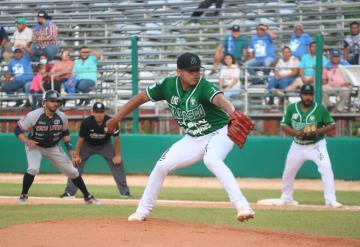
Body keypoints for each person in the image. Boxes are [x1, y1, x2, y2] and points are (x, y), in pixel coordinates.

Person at [107, 52, 255, 222]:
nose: (195, 74)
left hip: (220, 132)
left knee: (211, 159)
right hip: (193, 137)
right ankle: (142, 211)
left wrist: (232, 112)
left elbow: (221, 100)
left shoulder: (204, 86)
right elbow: (141, 97)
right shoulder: (168, 86)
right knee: (162, 166)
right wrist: (116, 118)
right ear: (179, 72)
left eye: (197, 70)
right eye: (190, 70)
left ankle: (243, 206)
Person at [14, 90, 99, 205]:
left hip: (53, 147)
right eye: (52, 101)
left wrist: (70, 150)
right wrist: (26, 141)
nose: (55, 103)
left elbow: (65, 133)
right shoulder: (34, 115)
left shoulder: (62, 116)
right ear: (44, 102)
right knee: (33, 168)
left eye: (57, 101)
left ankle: (87, 197)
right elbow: (17, 130)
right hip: (36, 146)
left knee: (73, 171)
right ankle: (23, 195)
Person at [279, 84, 342, 208]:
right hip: (297, 145)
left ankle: (330, 200)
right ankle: (286, 198)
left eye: (310, 94)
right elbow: (284, 125)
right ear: (301, 95)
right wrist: (297, 133)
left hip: (316, 145)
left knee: (326, 167)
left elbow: (331, 124)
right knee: (288, 172)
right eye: (305, 94)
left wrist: (317, 131)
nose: (308, 97)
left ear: (313, 95)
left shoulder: (320, 109)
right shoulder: (292, 108)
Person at [60, 102, 131, 198]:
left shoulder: (111, 121)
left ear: (104, 112)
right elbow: (81, 139)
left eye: (101, 112)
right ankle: (69, 192)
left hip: (105, 145)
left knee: (117, 162)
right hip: (87, 145)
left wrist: (117, 155)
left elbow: (117, 138)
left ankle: (124, 192)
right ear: (92, 112)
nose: (99, 114)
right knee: (76, 163)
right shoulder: (87, 122)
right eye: (96, 112)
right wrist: (77, 155)